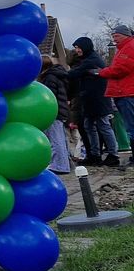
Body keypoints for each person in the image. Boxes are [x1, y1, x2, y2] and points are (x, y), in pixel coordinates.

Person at [68, 36, 119, 166]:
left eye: (78, 48)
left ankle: (113, 154)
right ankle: (95, 154)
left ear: (84, 47)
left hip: (97, 99)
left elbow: (73, 74)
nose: (77, 50)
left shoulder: (91, 61)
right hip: (91, 99)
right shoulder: (90, 59)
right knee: (89, 126)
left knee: (103, 125)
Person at [98, 24, 134, 167]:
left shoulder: (129, 47)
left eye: (117, 36)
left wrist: (101, 72)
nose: (114, 39)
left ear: (126, 35)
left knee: (131, 126)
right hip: (124, 92)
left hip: (127, 92)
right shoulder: (124, 48)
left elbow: (121, 68)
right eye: (113, 36)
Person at [39, 54, 72, 174]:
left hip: (53, 111)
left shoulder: (49, 77)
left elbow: (48, 96)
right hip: (61, 110)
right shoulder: (59, 75)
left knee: (55, 139)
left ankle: (59, 165)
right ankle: (66, 163)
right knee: (61, 138)